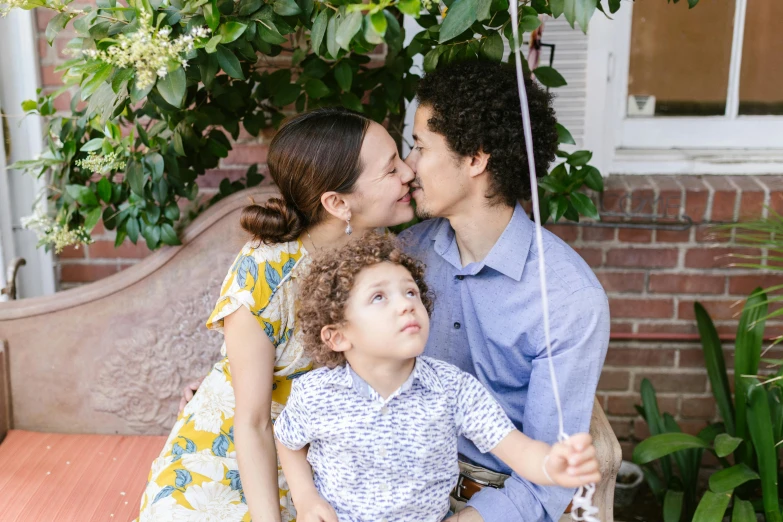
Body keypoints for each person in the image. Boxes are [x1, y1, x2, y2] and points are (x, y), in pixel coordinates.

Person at [136, 107, 416, 522]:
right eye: (391, 169)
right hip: (238, 455)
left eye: (403, 158)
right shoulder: (265, 273)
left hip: (324, 458)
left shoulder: (383, 256)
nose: (410, 173)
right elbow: (251, 423)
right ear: (338, 203)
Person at [399, 60, 610, 522]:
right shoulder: (404, 255)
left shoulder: (567, 298)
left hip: (491, 504)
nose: (408, 167)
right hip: (396, 484)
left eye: (419, 146)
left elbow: (545, 479)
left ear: (476, 158)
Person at [273, 233, 601, 522]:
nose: (405, 305)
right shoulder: (316, 394)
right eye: (379, 297)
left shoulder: (452, 389)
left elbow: (518, 450)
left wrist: (551, 464)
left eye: (411, 292)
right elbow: (287, 440)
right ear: (338, 336)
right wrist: (305, 498)